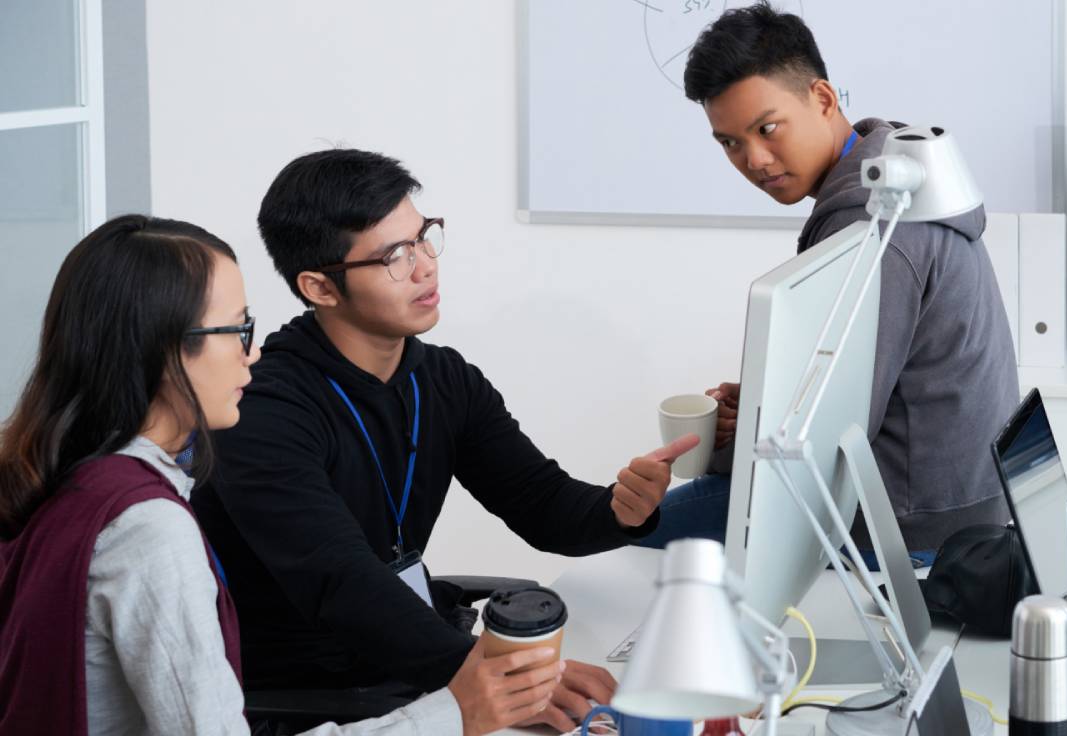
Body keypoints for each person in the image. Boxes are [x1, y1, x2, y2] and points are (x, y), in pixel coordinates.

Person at [191, 149, 697, 732]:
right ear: (320, 287)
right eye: (394, 257)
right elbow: (340, 582)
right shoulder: (262, 409)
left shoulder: (445, 379)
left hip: (409, 666)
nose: (425, 268)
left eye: (423, 238)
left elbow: (542, 506)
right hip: (309, 698)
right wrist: (493, 677)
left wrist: (620, 509)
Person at [0, 215, 565, 735]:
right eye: (235, 330)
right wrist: (454, 713)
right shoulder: (149, 530)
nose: (250, 355)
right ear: (163, 351)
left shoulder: (76, 475)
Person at [639, 1, 1019, 553]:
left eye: (767, 128)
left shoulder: (872, 221)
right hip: (956, 499)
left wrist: (725, 445)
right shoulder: (895, 168)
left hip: (909, 522)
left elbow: (827, 438)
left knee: (630, 536)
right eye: (730, 142)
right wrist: (765, 402)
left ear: (821, 99)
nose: (754, 159)